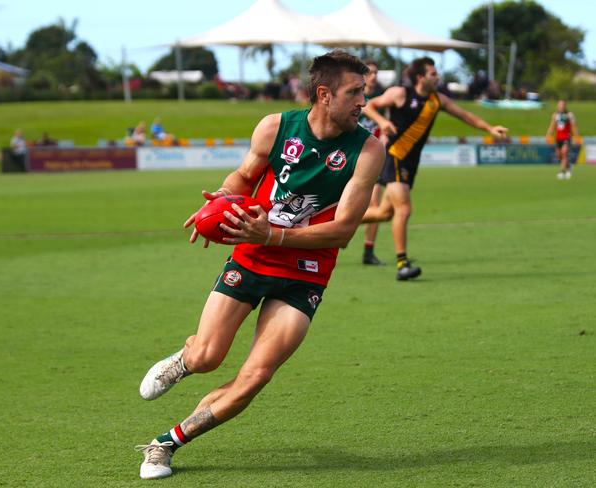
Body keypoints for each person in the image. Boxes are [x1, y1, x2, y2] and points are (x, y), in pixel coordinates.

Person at [135, 51, 385, 480]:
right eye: (355, 92)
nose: (364, 101)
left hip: (305, 270)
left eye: (364, 91)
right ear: (324, 95)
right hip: (251, 254)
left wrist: (274, 234)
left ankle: (165, 444)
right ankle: (188, 359)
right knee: (210, 357)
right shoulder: (275, 127)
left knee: (255, 376)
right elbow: (241, 178)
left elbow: (343, 230)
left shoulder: (368, 149)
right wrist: (219, 206)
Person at [361, 57, 508, 281]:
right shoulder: (400, 94)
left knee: (384, 213)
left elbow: (465, 115)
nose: (437, 77)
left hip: (411, 163)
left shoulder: (437, 100)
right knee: (404, 210)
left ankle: (339, 219)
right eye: (433, 73)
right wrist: (382, 122)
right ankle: (402, 264)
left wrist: (489, 128)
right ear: (420, 77)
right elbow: (369, 105)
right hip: (395, 157)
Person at [358, 60, 386, 266]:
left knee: (375, 204)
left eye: (376, 72)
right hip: (350, 157)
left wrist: (383, 140)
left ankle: (369, 251)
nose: (374, 76)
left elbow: (385, 127)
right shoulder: (353, 97)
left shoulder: (381, 100)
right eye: (369, 73)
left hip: (372, 157)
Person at [546, 100, 579, 180]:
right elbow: (552, 125)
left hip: (567, 137)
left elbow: (574, 126)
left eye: (562, 105)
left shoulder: (569, 115)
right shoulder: (555, 115)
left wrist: (577, 136)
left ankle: (562, 171)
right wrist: (548, 134)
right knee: (559, 155)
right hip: (558, 138)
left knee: (564, 153)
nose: (561, 107)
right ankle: (568, 166)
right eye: (559, 105)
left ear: (565, 106)